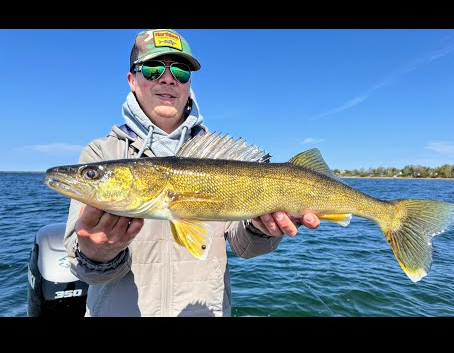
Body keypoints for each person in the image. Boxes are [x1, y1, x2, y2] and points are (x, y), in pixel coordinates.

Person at [64, 29, 320, 317]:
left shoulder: (217, 155)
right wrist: (97, 254)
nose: (168, 78)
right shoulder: (102, 154)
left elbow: (245, 247)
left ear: (188, 84)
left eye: (181, 71)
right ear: (132, 80)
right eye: (152, 68)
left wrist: (261, 228)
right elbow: (85, 270)